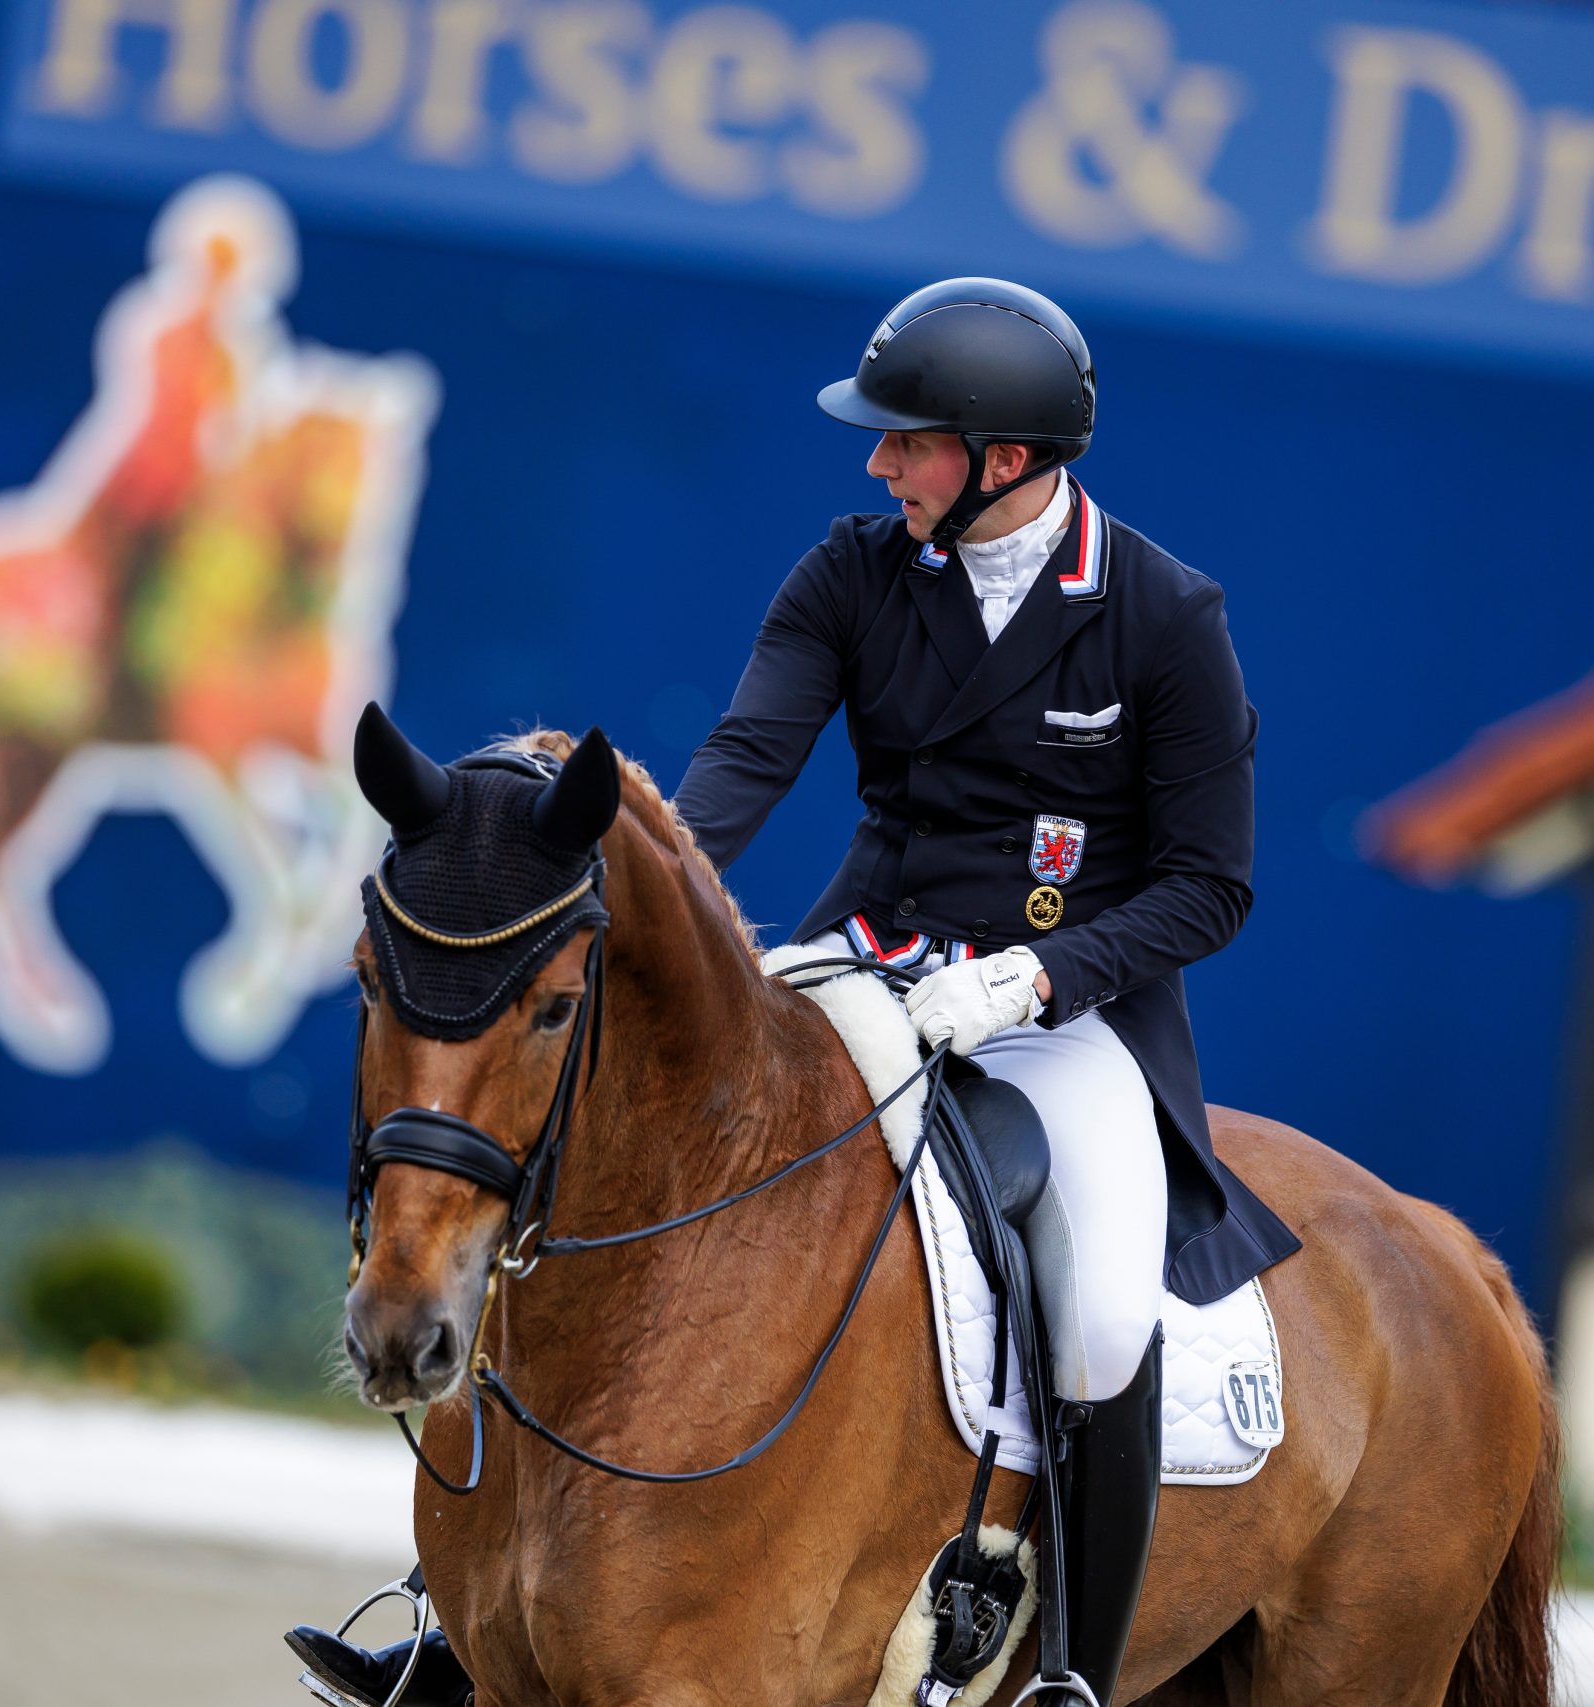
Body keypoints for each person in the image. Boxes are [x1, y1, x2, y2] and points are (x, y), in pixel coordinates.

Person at [287, 277, 1300, 1707]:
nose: (878, 465)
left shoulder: (1160, 617)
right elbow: (743, 767)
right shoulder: (851, 572)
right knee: (614, 1184)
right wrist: (625, 876)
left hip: (1066, 1020)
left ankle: (1070, 1664)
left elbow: (1212, 885)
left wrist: (1035, 976)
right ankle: (468, 1621)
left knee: (1104, 1315)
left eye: (908, 444)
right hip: (861, 963)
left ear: (1003, 460)